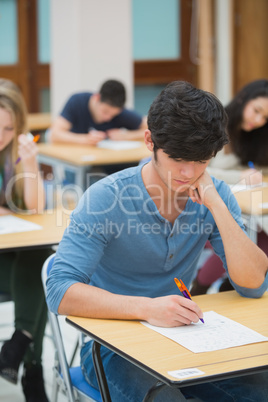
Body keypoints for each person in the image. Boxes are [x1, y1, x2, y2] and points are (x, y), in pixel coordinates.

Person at [46, 81, 268, 402]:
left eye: (203, 160)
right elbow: (59, 290)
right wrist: (146, 308)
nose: (189, 172)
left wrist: (218, 205)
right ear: (150, 141)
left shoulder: (212, 192)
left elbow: (254, 285)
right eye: (179, 158)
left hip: (185, 337)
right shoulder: (106, 198)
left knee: (261, 389)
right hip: (111, 347)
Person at [191, 79, 268, 295]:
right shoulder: (213, 124)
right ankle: (200, 288)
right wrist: (238, 175)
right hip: (201, 202)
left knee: (262, 240)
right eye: (256, 111)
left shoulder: (255, 134)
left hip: (237, 202)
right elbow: (200, 170)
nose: (258, 120)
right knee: (232, 235)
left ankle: (230, 286)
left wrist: (251, 174)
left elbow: (261, 168)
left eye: (264, 117)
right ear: (243, 99)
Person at [0, 79, 51, 402]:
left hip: (13, 259)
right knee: (41, 283)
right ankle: (32, 368)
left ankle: (19, 343)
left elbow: (35, 209)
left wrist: (30, 163)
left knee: (42, 257)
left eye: (7, 128)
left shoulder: (15, 156)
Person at [50, 79, 147, 145]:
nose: (108, 118)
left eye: (113, 115)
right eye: (105, 112)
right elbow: (54, 134)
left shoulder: (118, 112)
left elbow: (149, 127)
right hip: (77, 160)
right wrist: (84, 139)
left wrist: (127, 136)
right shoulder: (77, 101)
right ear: (96, 98)